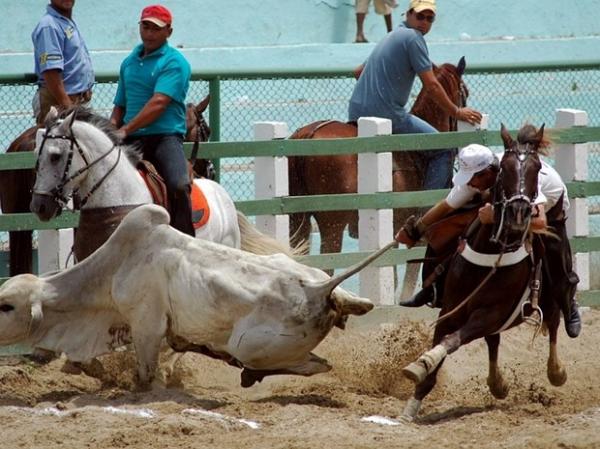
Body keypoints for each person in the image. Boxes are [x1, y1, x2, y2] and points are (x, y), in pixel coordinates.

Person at [396, 137, 582, 338]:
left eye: (471, 178)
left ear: (488, 173)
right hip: (505, 204)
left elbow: (539, 223)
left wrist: (494, 216)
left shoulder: (519, 178)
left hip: (550, 208)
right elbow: (447, 206)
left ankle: (569, 304)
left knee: (555, 255)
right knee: (450, 224)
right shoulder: (477, 179)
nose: (468, 183)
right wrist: (417, 229)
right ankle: (435, 287)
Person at [349, 0, 482, 190]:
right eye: (420, 16)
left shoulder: (392, 35)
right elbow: (432, 85)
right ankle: (428, 209)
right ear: (408, 14)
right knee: (444, 148)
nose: (424, 22)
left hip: (355, 110)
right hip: (389, 114)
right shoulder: (414, 38)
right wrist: (456, 111)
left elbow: (357, 72)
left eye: (430, 18)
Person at [110, 4, 194, 237]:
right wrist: (110, 131)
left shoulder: (174, 62)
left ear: (168, 32)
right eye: (145, 26)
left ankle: (185, 240)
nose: (149, 33)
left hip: (164, 137)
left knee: (178, 184)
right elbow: (120, 105)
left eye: (156, 29)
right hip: (131, 137)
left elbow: (159, 103)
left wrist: (124, 130)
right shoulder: (129, 62)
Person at [31, 0, 94, 125]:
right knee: (54, 143)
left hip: (73, 102)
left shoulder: (65, 22)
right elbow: (50, 72)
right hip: (58, 103)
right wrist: (68, 107)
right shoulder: (49, 26)